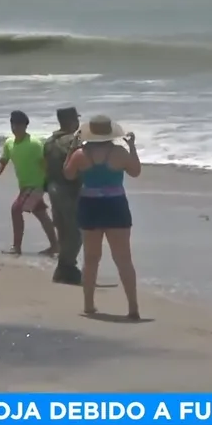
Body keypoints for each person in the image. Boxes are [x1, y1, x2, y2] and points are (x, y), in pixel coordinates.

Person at [64, 115, 141, 319]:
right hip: (116, 205)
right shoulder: (119, 152)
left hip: (90, 206)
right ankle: (133, 307)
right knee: (123, 258)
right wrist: (132, 146)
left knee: (91, 258)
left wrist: (72, 148)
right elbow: (135, 171)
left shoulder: (81, 154)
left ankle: (89, 305)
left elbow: (68, 174)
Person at [0, 110, 58, 256]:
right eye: (13, 124)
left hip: (36, 185)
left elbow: (45, 164)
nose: (15, 128)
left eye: (19, 125)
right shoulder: (9, 143)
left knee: (16, 209)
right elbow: (2, 162)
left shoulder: (34, 143)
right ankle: (55, 246)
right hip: (24, 186)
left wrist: (49, 184)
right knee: (41, 214)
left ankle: (16, 247)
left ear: (25, 126)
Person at [44, 107, 83, 284]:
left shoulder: (50, 141)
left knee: (63, 229)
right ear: (72, 121)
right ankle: (66, 267)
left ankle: (64, 268)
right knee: (74, 232)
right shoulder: (73, 141)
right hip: (69, 190)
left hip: (54, 188)